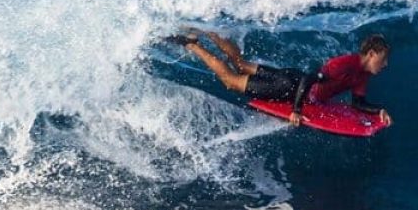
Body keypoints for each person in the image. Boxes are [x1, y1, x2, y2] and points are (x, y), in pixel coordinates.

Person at [166, 30, 392, 127]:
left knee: (241, 64)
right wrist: (296, 110)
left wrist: (377, 110)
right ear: (371, 54)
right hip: (290, 87)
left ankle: (206, 31)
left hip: (290, 77)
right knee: (231, 81)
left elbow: (357, 102)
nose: (385, 65)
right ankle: (191, 44)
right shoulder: (345, 63)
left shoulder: (362, 74)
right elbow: (308, 81)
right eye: (383, 59)